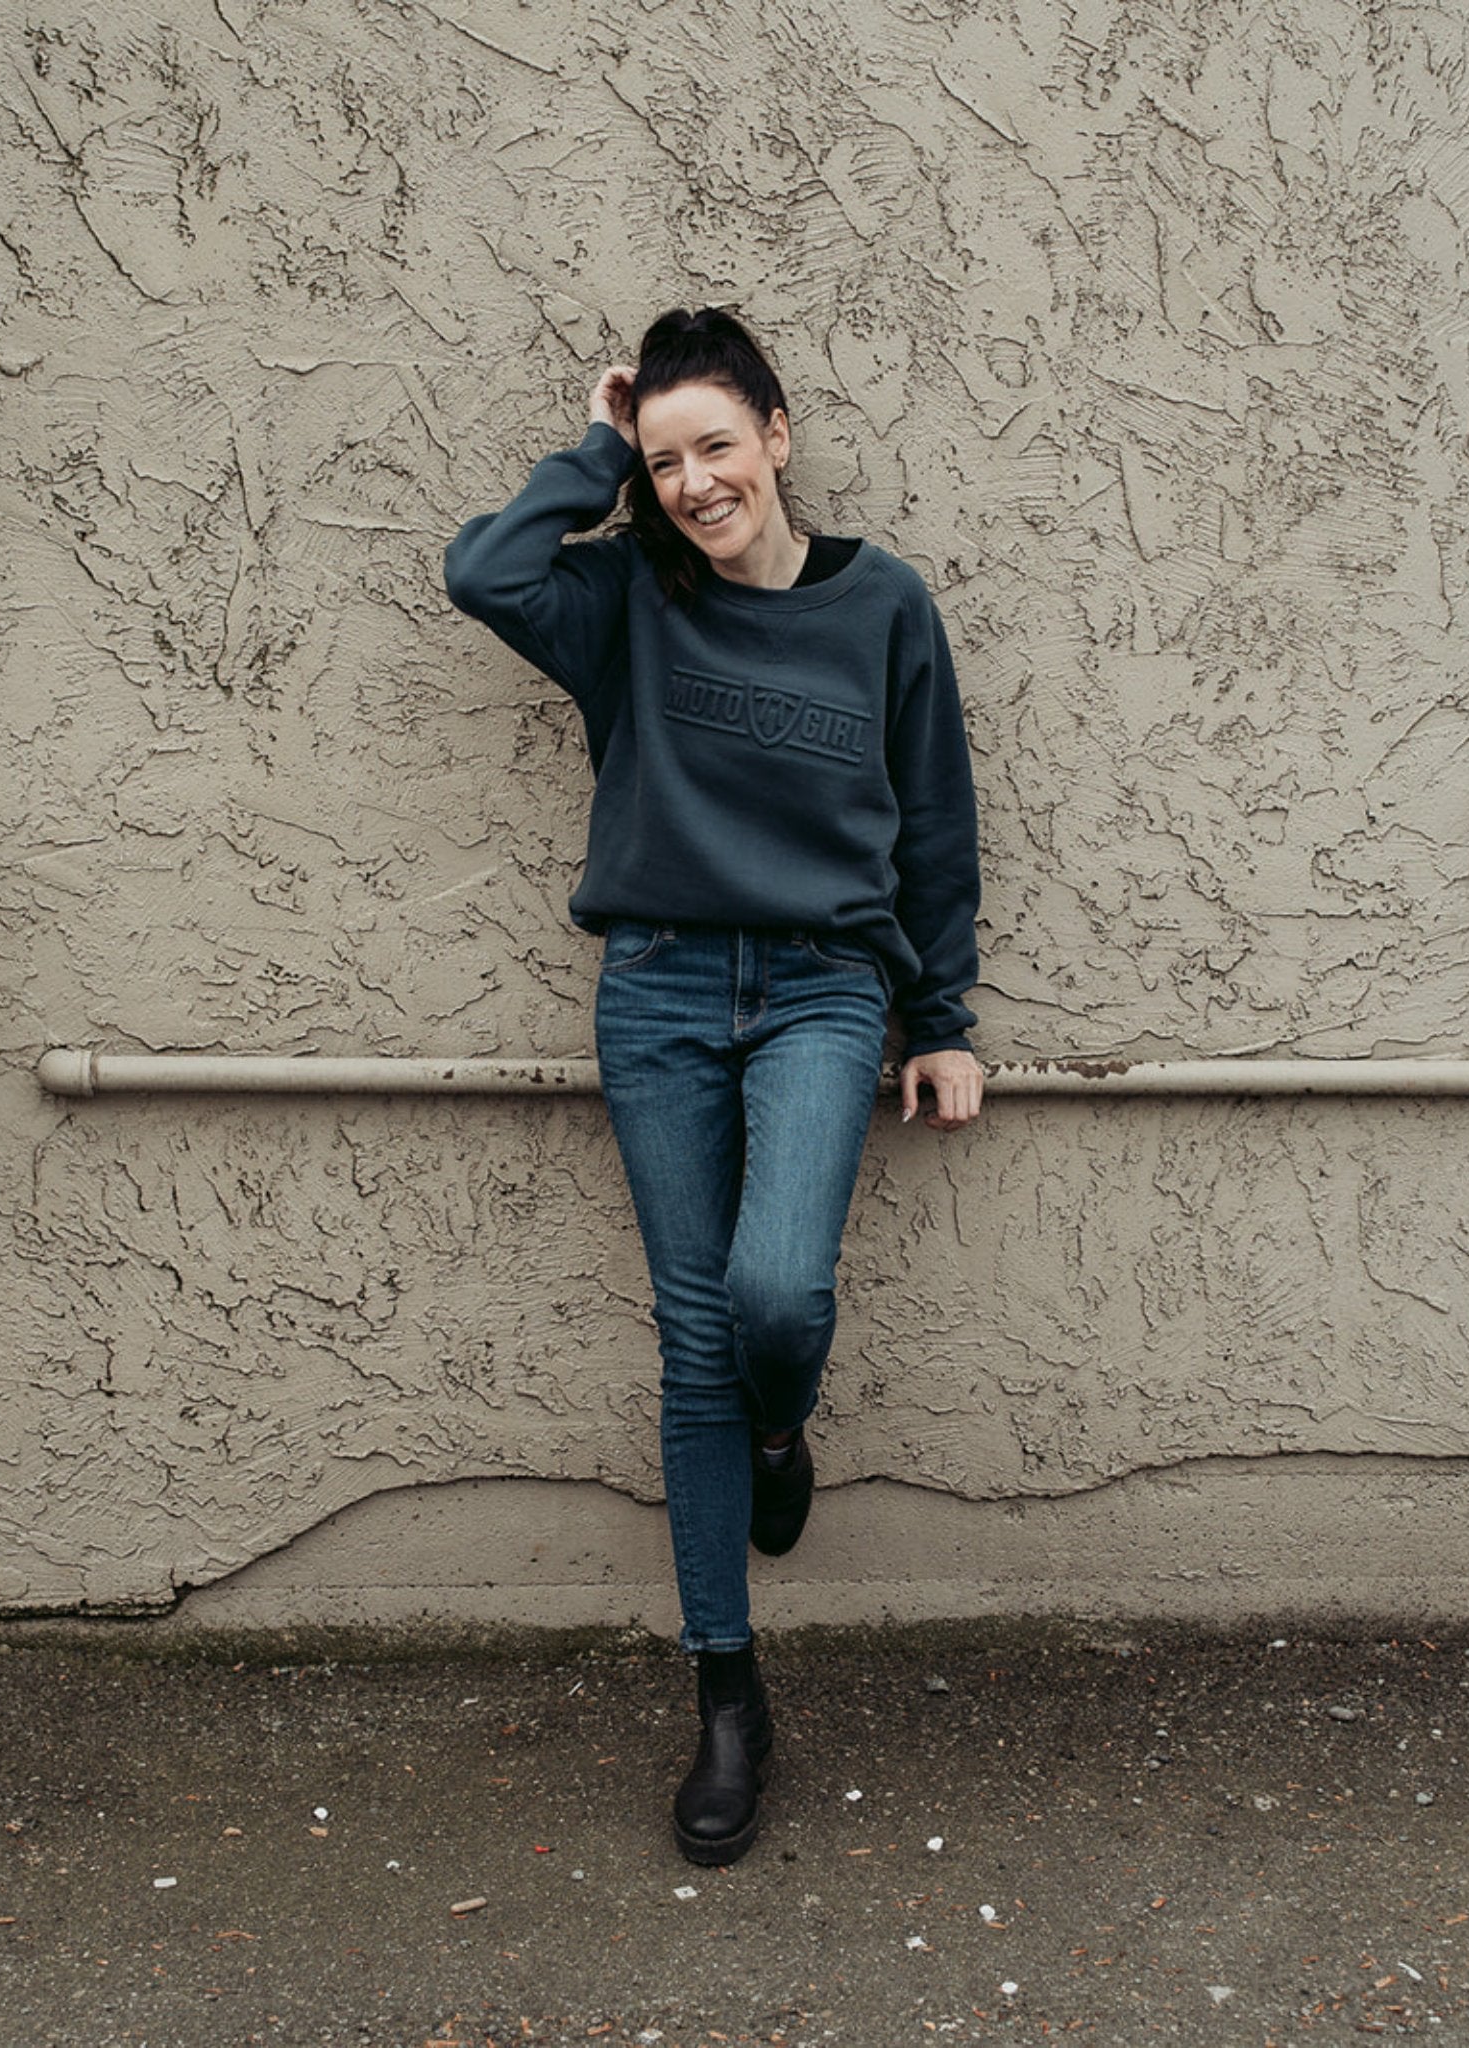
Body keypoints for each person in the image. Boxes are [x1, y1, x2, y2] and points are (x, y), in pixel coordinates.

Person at [444, 307, 982, 1865]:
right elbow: (487, 571)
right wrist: (597, 454)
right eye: (664, 458)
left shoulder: (884, 605)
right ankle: (727, 1698)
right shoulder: (625, 596)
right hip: (662, 988)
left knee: (771, 1298)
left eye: (714, 447)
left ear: (779, 436)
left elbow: (934, 817)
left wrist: (937, 1016)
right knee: (692, 1340)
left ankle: (775, 1430)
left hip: (825, 988)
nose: (693, 483)